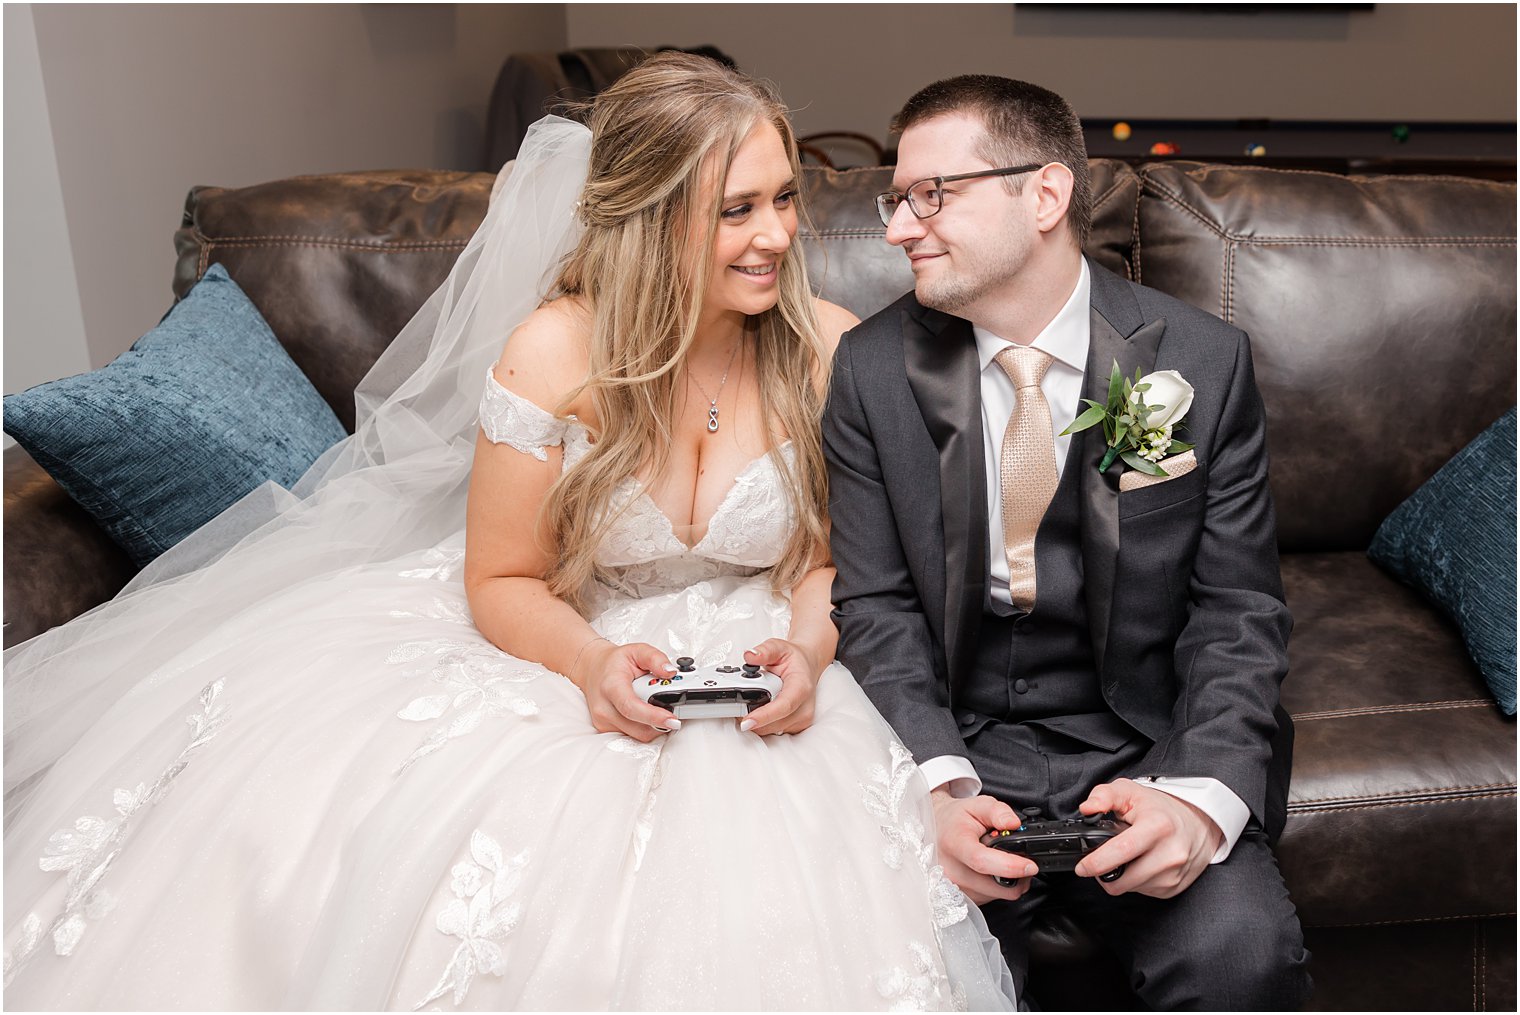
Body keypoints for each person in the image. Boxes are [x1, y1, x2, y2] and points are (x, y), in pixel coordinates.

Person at [2, 54, 1015, 1010]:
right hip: (567, 635)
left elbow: (836, 564)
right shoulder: (553, 350)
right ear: (648, 220)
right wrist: (591, 662)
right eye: (735, 210)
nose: (777, 234)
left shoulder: (831, 351)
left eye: (784, 197)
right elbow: (502, 577)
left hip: (769, 645)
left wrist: (802, 652)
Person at [823, 74, 1313, 1009]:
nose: (898, 226)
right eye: (898, 198)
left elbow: (1238, 609)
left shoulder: (1200, 364)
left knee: (1240, 955)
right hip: (960, 742)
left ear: (1044, 195)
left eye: (934, 195)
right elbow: (876, 605)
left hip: (1145, 746)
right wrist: (935, 784)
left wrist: (1196, 795)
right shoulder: (871, 369)